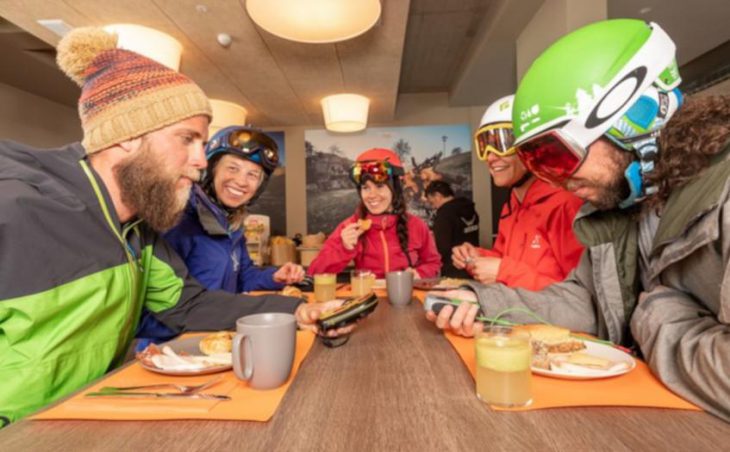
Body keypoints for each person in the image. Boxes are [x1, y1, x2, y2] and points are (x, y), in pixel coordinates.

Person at [0, 27, 352, 424]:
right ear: (127, 135)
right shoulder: (15, 208)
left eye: (202, 144)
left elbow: (189, 304)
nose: (201, 161)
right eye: (187, 139)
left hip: (90, 415)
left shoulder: (138, 229)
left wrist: (300, 309)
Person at [426, 19, 730, 422]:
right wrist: (480, 300)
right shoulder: (627, 208)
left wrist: (656, 315)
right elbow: (582, 303)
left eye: (559, 156)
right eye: (540, 164)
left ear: (631, 118)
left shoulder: (720, 196)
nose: (559, 180)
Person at [135, 126, 306, 347]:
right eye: (232, 168)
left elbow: (243, 275)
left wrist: (274, 277)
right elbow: (146, 311)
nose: (242, 181)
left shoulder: (231, 226)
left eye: (252, 174)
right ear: (211, 170)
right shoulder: (177, 221)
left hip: (218, 341)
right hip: (174, 351)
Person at [450, 95, 584, 289]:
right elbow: (506, 259)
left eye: (502, 144)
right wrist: (478, 257)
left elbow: (580, 297)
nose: (490, 157)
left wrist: (503, 271)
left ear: (534, 147)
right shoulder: (513, 203)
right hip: (515, 315)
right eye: (484, 145)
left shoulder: (565, 204)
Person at [308, 148, 442, 278]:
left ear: (396, 188)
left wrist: (419, 273)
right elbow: (315, 274)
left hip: (406, 298)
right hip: (367, 298)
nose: (372, 195)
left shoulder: (416, 225)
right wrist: (343, 248)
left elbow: (433, 262)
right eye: (365, 187)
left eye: (379, 186)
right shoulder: (350, 227)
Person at [424, 180, 479, 278]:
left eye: (431, 201)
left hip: (453, 268)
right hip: (474, 263)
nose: (432, 206)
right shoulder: (470, 209)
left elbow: (441, 247)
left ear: (437, 196)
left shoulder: (444, 214)